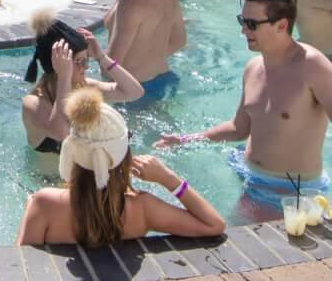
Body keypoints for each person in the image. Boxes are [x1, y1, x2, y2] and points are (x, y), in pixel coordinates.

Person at [156, 0, 332, 215]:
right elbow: (239, 128)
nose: (243, 30)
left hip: (290, 190)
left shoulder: (312, 66)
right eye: (242, 21)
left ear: (281, 25)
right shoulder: (253, 67)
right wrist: (186, 140)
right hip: (246, 171)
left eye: (251, 24)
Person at [17, 88, 225, 246]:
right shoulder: (142, 207)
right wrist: (168, 178)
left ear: (73, 150)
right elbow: (214, 225)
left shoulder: (45, 203)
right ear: (122, 153)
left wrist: (30, 210)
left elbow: (21, 263)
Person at [22, 15, 144, 153]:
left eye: (86, 60)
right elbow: (61, 133)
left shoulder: (84, 86)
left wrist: (101, 57)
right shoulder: (33, 104)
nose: (85, 68)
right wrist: (64, 77)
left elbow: (134, 92)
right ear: (57, 64)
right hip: (50, 175)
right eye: (79, 61)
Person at [102, 0, 186, 102]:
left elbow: (110, 66)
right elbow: (179, 41)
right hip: (164, 79)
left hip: (133, 90)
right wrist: (148, 60)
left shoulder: (133, 1)